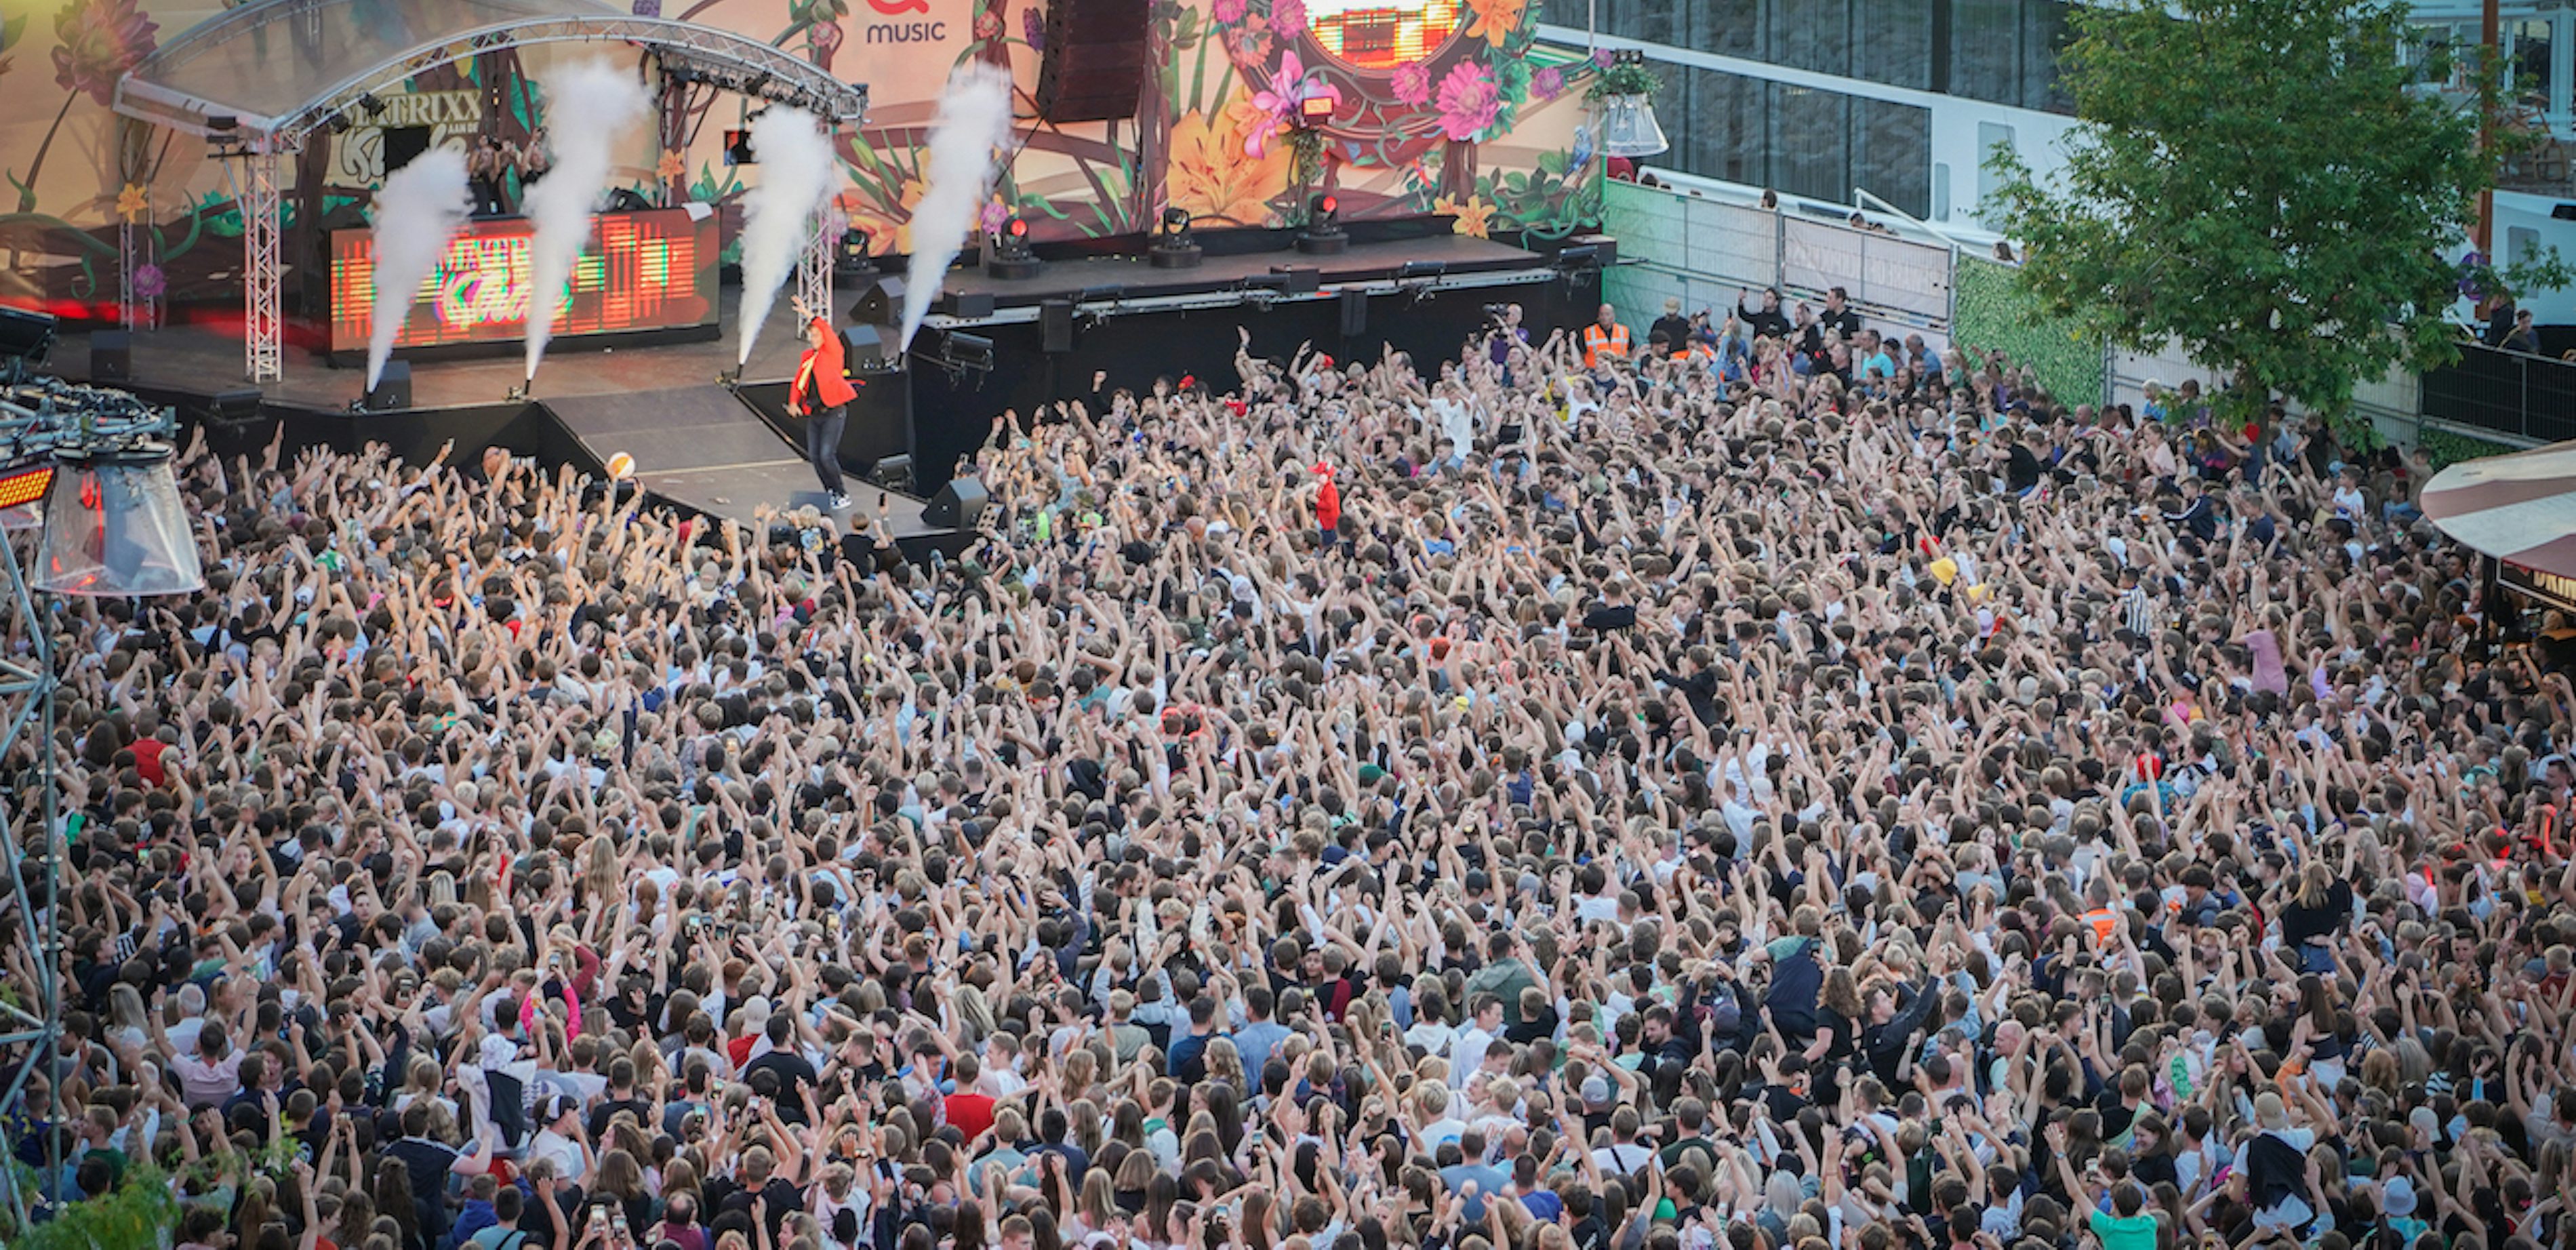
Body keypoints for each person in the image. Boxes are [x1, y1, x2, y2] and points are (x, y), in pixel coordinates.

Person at [788, 295, 858, 509]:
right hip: (815, 412)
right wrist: (793, 402)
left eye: (818, 335)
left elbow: (826, 329)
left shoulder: (833, 352)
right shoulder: (808, 356)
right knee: (815, 457)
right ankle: (830, 492)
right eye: (812, 335)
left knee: (827, 455)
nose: (815, 338)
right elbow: (799, 381)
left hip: (833, 411)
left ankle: (842, 493)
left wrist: (808, 314)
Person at [1580, 302, 1630, 368]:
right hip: (1595, 371)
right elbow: (1581, 352)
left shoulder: (1624, 331)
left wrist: (1628, 363)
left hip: (1618, 370)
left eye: (1607, 314)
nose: (1604, 317)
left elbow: (1633, 349)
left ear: (1613, 316)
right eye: (1602, 314)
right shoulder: (1588, 332)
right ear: (1598, 317)